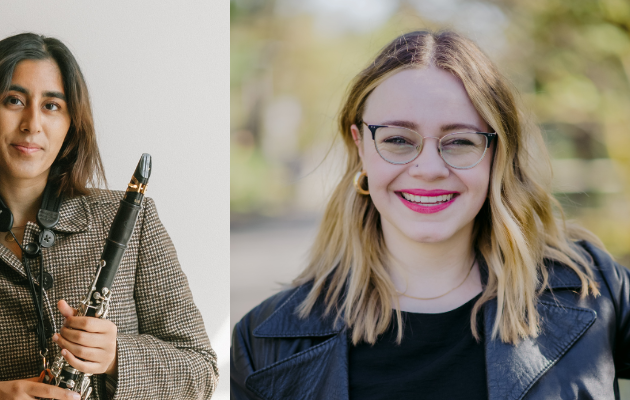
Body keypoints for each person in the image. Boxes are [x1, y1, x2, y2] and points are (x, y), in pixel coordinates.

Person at [231, 30, 630, 399]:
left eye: (459, 141)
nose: (430, 168)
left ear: (497, 154)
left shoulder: (595, 292)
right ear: (360, 147)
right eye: (398, 140)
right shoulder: (263, 344)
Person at [0, 33, 217, 400]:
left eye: (52, 106)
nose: (32, 123)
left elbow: (202, 370)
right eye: (14, 101)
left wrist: (116, 357)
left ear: (71, 123)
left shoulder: (132, 220)